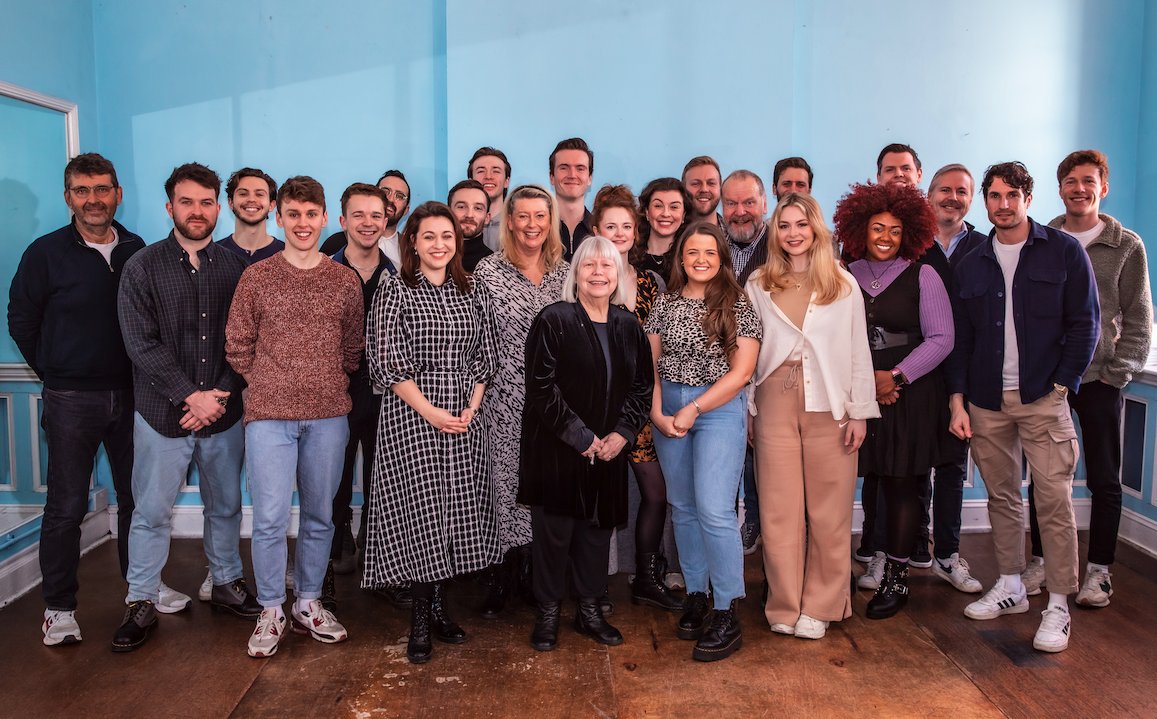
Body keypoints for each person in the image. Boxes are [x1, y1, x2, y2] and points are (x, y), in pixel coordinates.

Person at [947, 161, 1098, 653]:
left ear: (1028, 199)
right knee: (1003, 499)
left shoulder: (1063, 252)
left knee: (1053, 503)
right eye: (994, 196)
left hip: (1042, 398)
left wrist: (1062, 386)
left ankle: (1057, 603)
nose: (1003, 204)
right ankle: (1010, 585)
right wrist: (960, 399)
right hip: (987, 402)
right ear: (985, 202)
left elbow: (1085, 324)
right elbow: (962, 339)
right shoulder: (971, 262)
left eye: (1013, 195)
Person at [112, 163, 260, 652]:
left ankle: (225, 582)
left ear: (218, 208)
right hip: (161, 413)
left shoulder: (238, 269)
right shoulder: (142, 266)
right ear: (169, 207)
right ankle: (141, 599)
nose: (197, 211)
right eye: (187, 202)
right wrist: (189, 395)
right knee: (151, 511)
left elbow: (246, 341)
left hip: (223, 411)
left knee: (225, 506)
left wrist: (216, 394)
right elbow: (140, 343)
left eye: (205, 202)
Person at [8, 153, 144, 646]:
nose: (94, 199)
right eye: (82, 191)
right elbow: (21, 318)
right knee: (65, 507)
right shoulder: (44, 253)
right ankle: (59, 608)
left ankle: (141, 592)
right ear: (69, 197)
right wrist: (55, 369)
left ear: (117, 194)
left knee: (137, 500)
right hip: (69, 398)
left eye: (102, 189)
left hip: (132, 396)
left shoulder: (136, 248)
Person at [226, 175, 364, 658]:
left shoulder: (343, 279)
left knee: (321, 515)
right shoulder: (257, 277)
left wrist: (320, 377)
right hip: (268, 416)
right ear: (278, 217)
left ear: (324, 218)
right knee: (267, 517)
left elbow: (353, 349)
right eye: (293, 214)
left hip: (329, 415)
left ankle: (308, 602)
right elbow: (237, 345)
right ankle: (270, 608)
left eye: (311, 214)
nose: (303, 223)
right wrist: (270, 381)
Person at [362, 201, 501, 664]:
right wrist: (432, 412)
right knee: (420, 513)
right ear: (413, 243)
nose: (439, 245)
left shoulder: (473, 289)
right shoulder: (395, 288)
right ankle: (420, 617)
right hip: (412, 413)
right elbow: (387, 359)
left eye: (447, 237)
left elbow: (487, 355)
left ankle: (442, 605)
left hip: (465, 415)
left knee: (452, 510)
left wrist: (469, 408)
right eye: (429, 237)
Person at [1022, 150, 1152, 608]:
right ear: (1060, 188)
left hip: (1100, 378)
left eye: (1089, 180)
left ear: (1104, 187)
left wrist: (1119, 372)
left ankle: (1099, 571)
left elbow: (1139, 317)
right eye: (1071, 181)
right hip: (1050, 377)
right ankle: (1040, 559)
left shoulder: (1126, 246)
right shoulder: (1043, 239)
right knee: (1045, 474)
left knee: (1104, 477)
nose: (1080, 188)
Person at [746, 193, 877, 640]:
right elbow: (747, 351)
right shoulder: (759, 282)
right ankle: (783, 603)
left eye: (801, 224)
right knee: (778, 511)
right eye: (784, 225)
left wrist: (859, 412)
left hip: (831, 405)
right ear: (774, 232)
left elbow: (859, 351)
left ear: (816, 229)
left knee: (829, 512)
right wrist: (748, 406)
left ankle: (822, 604)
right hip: (773, 401)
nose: (793, 233)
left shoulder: (842, 283)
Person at [521, 236, 654, 651]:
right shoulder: (554, 319)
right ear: (575, 273)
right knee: (554, 535)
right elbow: (541, 388)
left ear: (618, 276)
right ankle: (547, 612)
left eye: (607, 266)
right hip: (558, 448)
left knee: (597, 535)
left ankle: (590, 610)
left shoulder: (628, 324)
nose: (598, 273)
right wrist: (583, 438)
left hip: (610, 450)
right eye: (589, 266)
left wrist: (621, 435)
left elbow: (641, 388)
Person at [834, 182, 953, 620]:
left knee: (905, 486)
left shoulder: (924, 274)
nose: (885, 237)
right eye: (877, 228)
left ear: (910, 234)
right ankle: (875, 555)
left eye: (896, 230)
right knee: (874, 480)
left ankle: (897, 577)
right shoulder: (844, 273)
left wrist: (895, 376)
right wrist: (865, 382)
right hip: (858, 391)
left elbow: (942, 338)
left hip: (910, 393)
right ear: (859, 230)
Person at [645, 222, 761, 662]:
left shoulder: (736, 303)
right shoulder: (665, 304)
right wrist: (657, 411)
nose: (700, 259)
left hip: (717, 408)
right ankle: (697, 592)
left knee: (715, 508)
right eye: (692, 252)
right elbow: (650, 364)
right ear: (681, 257)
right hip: (669, 406)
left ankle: (728, 606)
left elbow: (741, 372)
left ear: (721, 258)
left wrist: (694, 409)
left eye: (709, 252)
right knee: (684, 507)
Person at [472, 184, 570, 616]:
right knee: (501, 487)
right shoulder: (487, 274)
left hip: (555, 402)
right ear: (509, 221)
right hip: (501, 398)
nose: (532, 225)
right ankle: (500, 577)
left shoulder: (567, 274)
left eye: (540, 216)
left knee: (543, 488)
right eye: (523, 216)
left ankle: (536, 574)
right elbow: (473, 341)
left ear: (551, 222)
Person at [592, 185, 681, 612]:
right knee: (597, 496)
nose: (620, 233)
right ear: (596, 230)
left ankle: (647, 576)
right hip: (596, 407)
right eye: (611, 226)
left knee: (655, 492)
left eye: (627, 226)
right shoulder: (587, 277)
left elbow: (658, 349)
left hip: (640, 407)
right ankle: (593, 585)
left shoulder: (651, 282)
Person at [327, 183, 396, 599]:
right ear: (342, 221)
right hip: (337, 390)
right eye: (359, 215)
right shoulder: (325, 273)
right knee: (332, 476)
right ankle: (337, 542)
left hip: (387, 393)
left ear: (386, 222)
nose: (368, 223)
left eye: (376, 215)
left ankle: (377, 549)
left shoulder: (398, 277)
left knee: (381, 475)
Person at [634, 178, 693, 285]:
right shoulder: (629, 255)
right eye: (658, 206)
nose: (666, 213)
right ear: (646, 212)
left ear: (683, 215)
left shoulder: (690, 260)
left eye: (674, 207)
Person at [218, 168, 284, 264]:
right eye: (243, 194)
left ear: (271, 205)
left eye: (259, 194)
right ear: (231, 202)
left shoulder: (287, 255)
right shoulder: (213, 255)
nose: (251, 199)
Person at [721, 170, 770, 286]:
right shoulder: (712, 248)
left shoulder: (782, 251)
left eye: (749, 203)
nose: (740, 212)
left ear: (764, 205)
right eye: (731, 203)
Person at [548, 138, 594, 259]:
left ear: (590, 178)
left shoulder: (600, 230)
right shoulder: (538, 229)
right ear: (551, 177)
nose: (572, 175)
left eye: (580, 168)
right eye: (564, 167)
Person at [468, 146, 511, 252]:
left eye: (496, 171)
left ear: (507, 181)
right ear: (470, 181)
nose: (488, 176)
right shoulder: (456, 225)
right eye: (481, 171)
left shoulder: (517, 224)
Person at [448, 179, 494, 271]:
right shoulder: (434, 258)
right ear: (448, 212)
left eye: (478, 208)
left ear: (487, 218)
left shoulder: (494, 266)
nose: (469, 215)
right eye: (461, 207)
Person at [681, 156, 723, 226]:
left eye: (711, 183)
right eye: (696, 184)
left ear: (720, 187)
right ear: (683, 188)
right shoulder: (670, 234)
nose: (704, 189)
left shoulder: (735, 234)